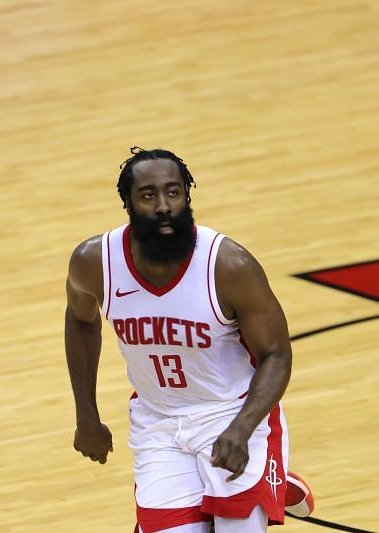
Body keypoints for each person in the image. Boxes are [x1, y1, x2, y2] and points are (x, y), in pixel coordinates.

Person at [65, 148, 314, 532]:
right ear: (128, 203)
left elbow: (277, 353)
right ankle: (273, 483)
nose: (164, 205)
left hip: (230, 412)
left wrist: (244, 426)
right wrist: (86, 416)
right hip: (158, 420)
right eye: (148, 195)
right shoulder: (95, 262)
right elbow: (80, 321)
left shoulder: (229, 266)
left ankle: (270, 478)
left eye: (173, 192)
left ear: (187, 196)